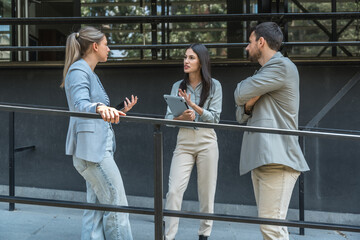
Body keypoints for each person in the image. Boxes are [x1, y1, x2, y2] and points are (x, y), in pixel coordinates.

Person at [234, 22, 309, 240]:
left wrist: (247, 97)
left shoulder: (281, 67)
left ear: (261, 42)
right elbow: (241, 113)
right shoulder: (264, 75)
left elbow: (239, 93)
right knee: (273, 227)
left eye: (249, 42)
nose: (247, 48)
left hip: (277, 157)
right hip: (263, 157)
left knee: (271, 228)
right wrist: (249, 104)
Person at [61, 26, 138, 240]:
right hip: (93, 153)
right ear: (95, 46)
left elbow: (92, 107)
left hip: (93, 150)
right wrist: (99, 107)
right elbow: (80, 104)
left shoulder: (88, 72)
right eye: (106, 44)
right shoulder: (79, 70)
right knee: (117, 205)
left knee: (95, 211)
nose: (109, 49)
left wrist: (116, 110)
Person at [164, 43, 222, 240]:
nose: (186, 61)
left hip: (207, 141)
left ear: (201, 62)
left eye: (191, 58)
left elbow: (215, 119)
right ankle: (168, 236)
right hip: (184, 142)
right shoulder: (177, 86)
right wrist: (182, 118)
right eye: (185, 57)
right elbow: (167, 120)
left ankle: (204, 234)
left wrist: (193, 107)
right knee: (173, 191)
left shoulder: (214, 86)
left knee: (206, 192)